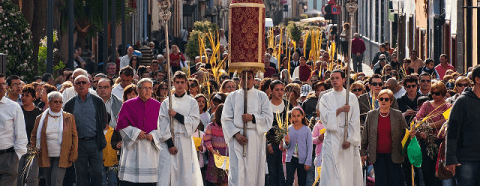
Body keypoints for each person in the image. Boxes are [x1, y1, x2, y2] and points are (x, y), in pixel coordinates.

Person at [221, 70, 273, 185]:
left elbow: (268, 118)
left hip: (255, 138)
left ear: (254, 79)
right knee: (237, 172)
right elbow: (226, 119)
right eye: (243, 78)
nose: (246, 81)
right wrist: (236, 134)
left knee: (253, 171)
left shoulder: (261, 96)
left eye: (249, 78)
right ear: (240, 79)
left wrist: (253, 118)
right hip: (237, 139)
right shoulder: (232, 97)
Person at [317, 69, 363, 186]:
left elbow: (355, 120)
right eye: (332, 78)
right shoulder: (325, 98)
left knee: (347, 172)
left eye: (337, 78)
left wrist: (350, 139)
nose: (334, 80)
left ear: (343, 80)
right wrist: (339, 110)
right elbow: (324, 117)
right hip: (332, 138)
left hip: (347, 138)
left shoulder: (351, 97)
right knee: (331, 172)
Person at [157, 71, 203, 186]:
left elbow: (194, 121)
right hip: (169, 142)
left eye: (182, 82)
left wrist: (176, 115)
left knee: (184, 174)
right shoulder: (167, 102)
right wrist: (170, 144)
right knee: (167, 174)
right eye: (177, 82)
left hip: (184, 140)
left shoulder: (192, 102)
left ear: (186, 84)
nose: (180, 85)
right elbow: (162, 124)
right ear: (173, 83)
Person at [361, 89, 413, 186]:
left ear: (391, 101)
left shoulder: (397, 114)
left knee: (394, 182)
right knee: (380, 182)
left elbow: (405, 132)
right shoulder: (371, 115)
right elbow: (365, 135)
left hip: (395, 155)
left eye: (386, 99)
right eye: (381, 99)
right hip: (377, 155)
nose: (383, 101)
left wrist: (411, 134)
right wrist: (363, 152)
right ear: (378, 100)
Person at [64, 75, 108, 186]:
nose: (81, 85)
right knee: (80, 175)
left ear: (89, 85)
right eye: (78, 83)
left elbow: (104, 120)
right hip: (78, 144)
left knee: (97, 173)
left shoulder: (97, 101)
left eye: (84, 82)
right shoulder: (70, 104)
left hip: (95, 142)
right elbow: (66, 125)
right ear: (74, 86)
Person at [116, 78, 162, 185]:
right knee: (131, 181)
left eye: (150, 88)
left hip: (151, 148)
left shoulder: (158, 106)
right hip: (133, 148)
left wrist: (154, 135)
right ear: (138, 90)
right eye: (145, 88)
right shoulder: (127, 105)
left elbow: (164, 127)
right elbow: (121, 125)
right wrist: (135, 133)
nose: (148, 91)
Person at [31, 91, 78, 186]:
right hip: (45, 155)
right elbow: (34, 135)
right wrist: (34, 150)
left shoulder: (69, 117)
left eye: (60, 102)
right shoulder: (40, 118)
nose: (58, 104)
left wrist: (73, 153)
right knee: (49, 182)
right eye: (55, 101)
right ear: (49, 103)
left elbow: (74, 136)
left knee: (56, 182)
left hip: (62, 156)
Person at [445, 65, 480, 186]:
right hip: (466, 160)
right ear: (477, 79)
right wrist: (450, 158)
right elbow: (452, 131)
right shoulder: (462, 101)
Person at [414, 81, 452, 186]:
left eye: (437, 93)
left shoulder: (448, 106)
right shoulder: (426, 104)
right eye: (433, 93)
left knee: (439, 171)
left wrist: (428, 125)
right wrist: (422, 130)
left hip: (440, 142)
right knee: (426, 171)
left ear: (443, 93)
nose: (434, 95)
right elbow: (417, 119)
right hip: (426, 141)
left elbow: (445, 121)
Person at [0, 73, 28, 186]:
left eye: (3, 83)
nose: (2, 87)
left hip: (9, 157)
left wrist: (17, 157)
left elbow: (21, 134)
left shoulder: (13, 107)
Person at [17, 85, 42, 186]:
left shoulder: (39, 112)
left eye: (27, 95)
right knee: (19, 177)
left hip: (33, 148)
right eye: (22, 95)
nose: (23, 97)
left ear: (33, 97)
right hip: (19, 146)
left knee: (32, 178)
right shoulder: (18, 110)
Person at [283, 107, 313, 186]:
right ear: (291, 117)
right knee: (289, 181)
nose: (296, 118)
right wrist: (286, 142)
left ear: (303, 116)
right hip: (290, 159)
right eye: (294, 116)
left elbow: (310, 147)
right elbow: (285, 146)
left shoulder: (307, 130)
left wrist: (308, 162)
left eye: (298, 116)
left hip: (302, 160)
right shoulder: (288, 129)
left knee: (302, 182)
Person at [267, 80, 288, 186]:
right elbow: (263, 126)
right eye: (277, 90)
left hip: (285, 144)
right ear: (271, 91)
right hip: (271, 144)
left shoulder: (287, 105)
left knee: (283, 171)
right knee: (272, 172)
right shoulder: (266, 105)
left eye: (282, 90)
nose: (280, 92)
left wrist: (285, 140)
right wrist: (268, 143)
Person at [204, 104, 228, 185]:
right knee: (216, 181)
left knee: (226, 181)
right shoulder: (211, 126)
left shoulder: (229, 126)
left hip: (227, 157)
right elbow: (207, 140)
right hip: (215, 157)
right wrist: (213, 151)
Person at [102, 115, 118, 186]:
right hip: (100, 161)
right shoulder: (97, 132)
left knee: (113, 182)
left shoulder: (114, 132)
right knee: (102, 182)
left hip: (113, 161)